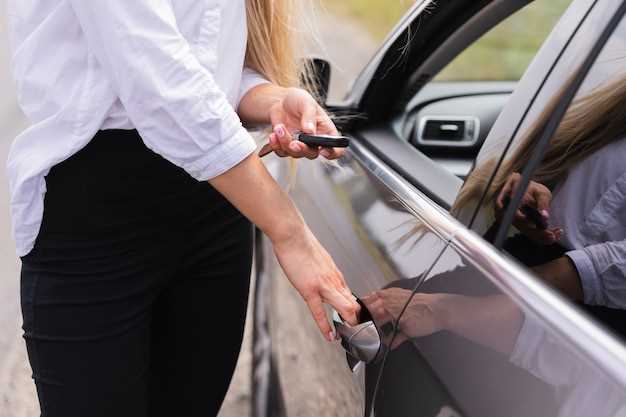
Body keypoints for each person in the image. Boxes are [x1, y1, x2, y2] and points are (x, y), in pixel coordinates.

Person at [6, 1, 360, 416]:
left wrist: (273, 100)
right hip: (95, 225)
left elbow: (209, 67)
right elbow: (155, 77)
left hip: (215, 213)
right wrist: (290, 232)